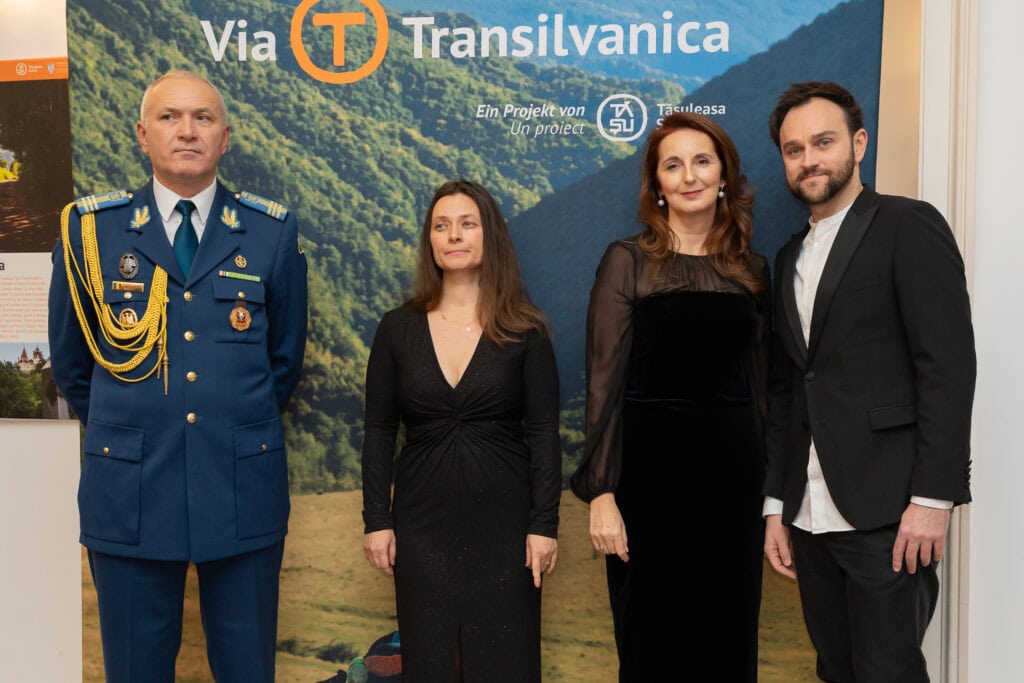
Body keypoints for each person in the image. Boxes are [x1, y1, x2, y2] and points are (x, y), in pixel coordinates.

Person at [48, 70, 308, 682]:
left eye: (203, 118)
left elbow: (283, 361)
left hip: (239, 487)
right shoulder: (92, 232)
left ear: (225, 137)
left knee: (247, 670)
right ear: (143, 134)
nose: (187, 131)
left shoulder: (269, 232)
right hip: (131, 491)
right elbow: (72, 366)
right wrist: (136, 424)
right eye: (169, 117)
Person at [762, 81, 976, 682]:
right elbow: (788, 389)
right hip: (809, 516)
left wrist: (932, 499)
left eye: (823, 142)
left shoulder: (908, 225)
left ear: (859, 144)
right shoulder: (787, 259)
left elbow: (948, 368)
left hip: (889, 514)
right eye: (794, 149)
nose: (809, 160)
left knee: (888, 672)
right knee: (835, 670)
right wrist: (777, 504)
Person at [571, 112, 770, 681]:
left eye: (702, 161)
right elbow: (603, 381)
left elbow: (762, 387)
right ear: (656, 184)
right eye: (673, 165)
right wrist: (602, 492)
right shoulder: (627, 261)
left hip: (734, 487)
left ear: (724, 175)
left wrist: (773, 495)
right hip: (648, 487)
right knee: (651, 643)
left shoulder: (752, 268)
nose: (689, 176)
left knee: (728, 643)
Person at [361, 179, 561, 682]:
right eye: (441, 225)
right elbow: (379, 430)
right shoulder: (397, 328)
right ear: (429, 240)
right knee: (432, 665)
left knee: (505, 665)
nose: (453, 235)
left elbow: (543, 433)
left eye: (467, 224)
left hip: (506, 531)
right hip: (421, 530)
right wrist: (376, 520)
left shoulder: (526, 328)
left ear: (489, 234)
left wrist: (544, 526)